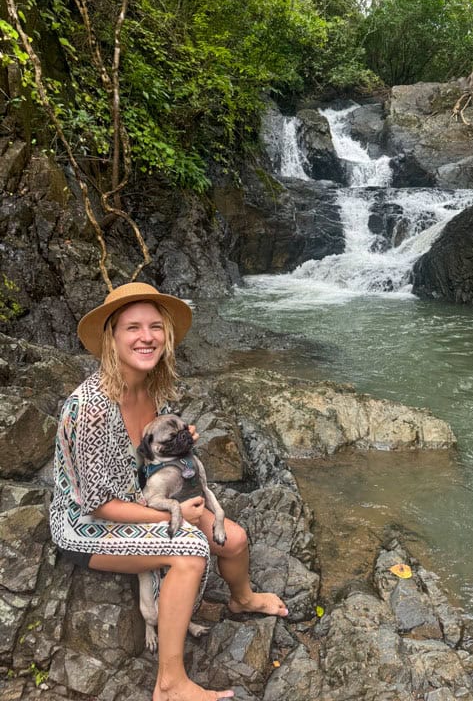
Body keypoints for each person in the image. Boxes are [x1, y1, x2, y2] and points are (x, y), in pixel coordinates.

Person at [49, 282, 288, 701]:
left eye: (155, 327)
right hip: (86, 526)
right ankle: (170, 684)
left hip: (144, 498)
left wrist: (179, 445)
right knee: (191, 551)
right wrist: (174, 517)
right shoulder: (90, 407)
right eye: (132, 328)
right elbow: (99, 504)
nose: (147, 337)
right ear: (112, 337)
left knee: (233, 539)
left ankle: (243, 598)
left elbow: (144, 459)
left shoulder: (151, 387)